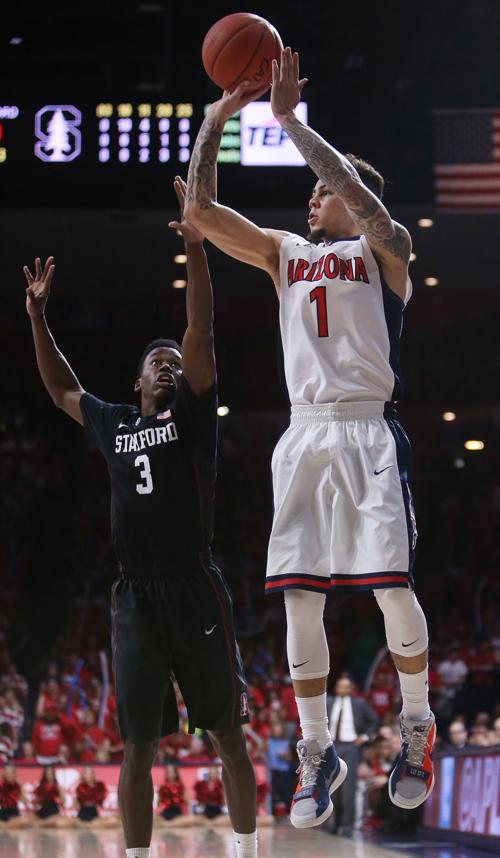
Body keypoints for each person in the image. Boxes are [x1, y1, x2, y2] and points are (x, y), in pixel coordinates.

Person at [185, 46, 435, 828]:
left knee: (391, 587)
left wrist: (293, 123)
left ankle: (417, 726)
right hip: (303, 434)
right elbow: (201, 211)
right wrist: (214, 121)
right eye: (312, 191)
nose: (311, 199)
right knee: (297, 600)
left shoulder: (383, 250)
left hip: (366, 432)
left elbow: (368, 204)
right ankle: (317, 751)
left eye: (322, 190)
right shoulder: (286, 256)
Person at [23, 177, 258, 858]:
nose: (167, 365)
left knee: (226, 734)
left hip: (192, 583)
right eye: (156, 362)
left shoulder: (193, 420)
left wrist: (198, 249)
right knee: (137, 743)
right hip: (136, 594)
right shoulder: (116, 422)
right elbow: (64, 387)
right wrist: (38, 318)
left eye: (174, 364)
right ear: (136, 382)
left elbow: (201, 329)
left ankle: (245, 853)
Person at [328, 677, 378, 835]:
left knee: (348, 787)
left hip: (351, 746)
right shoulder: (328, 702)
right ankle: (335, 823)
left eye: (346, 687)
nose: (343, 689)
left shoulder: (359, 703)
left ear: (351, 689)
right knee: (333, 786)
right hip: (332, 746)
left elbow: (374, 720)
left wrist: (364, 737)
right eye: (340, 686)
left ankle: (347, 826)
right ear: (336, 688)